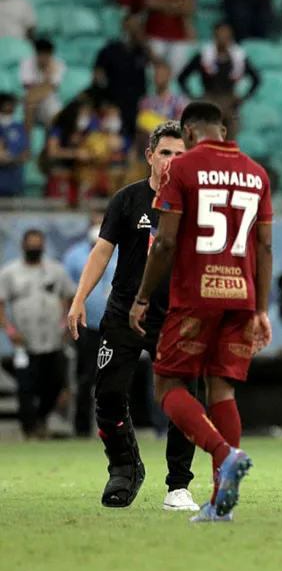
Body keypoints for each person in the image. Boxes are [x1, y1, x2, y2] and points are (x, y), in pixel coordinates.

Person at [129, 100, 273, 522]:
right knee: (222, 390)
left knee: (167, 385)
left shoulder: (182, 169)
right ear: (223, 131)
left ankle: (224, 453)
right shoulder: (257, 173)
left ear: (189, 133)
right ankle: (218, 503)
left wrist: (141, 298)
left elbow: (167, 243)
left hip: (196, 294)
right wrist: (261, 309)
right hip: (242, 296)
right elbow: (264, 246)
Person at [67, 121, 198, 509]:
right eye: (165, 154)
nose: (172, 161)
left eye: (180, 154)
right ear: (150, 157)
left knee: (180, 401)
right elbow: (102, 252)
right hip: (124, 313)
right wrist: (78, 299)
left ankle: (178, 485)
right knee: (107, 394)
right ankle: (124, 469)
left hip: (175, 317)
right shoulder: (127, 200)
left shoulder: (194, 204)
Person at [0, 229, 75, 439]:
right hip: (24, 342)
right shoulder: (10, 272)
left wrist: (66, 323)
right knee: (25, 387)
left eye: (38, 244)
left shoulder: (56, 270)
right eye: (31, 244)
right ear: (23, 246)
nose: (34, 248)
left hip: (53, 339)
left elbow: (69, 296)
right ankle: (30, 429)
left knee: (54, 383)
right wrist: (9, 329)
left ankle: (42, 418)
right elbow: (1, 302)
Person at [63, 211, 113, 438]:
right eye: (95, 224)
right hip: (86, 326)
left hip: (114, 326)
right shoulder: (74, 256)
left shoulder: (121, 252)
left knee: (113, 378)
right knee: (85, 377)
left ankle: (113, 427)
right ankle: (81, 428)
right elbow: (68, 292)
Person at [177, 22, 262, 124]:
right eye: (220, 35)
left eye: (226, 35)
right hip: (209, 100)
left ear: (231, 37)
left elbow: (256, 79)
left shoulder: (239, 57)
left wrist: (243, 98)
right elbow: (182, 77)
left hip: (230, 102)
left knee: (230, 131)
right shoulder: (203, 56)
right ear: (214, 36)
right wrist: (194, 97)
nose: (223, 38)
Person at [94, 13, 151, 136]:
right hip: (115, 105)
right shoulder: (110, 50)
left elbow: (160, 67)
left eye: (137, 26)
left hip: (137, 106)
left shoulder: (142, 52)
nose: (134, 29)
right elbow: (98, 78)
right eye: (131, 26)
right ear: (124, 26)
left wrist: (145, 44)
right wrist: (104, 102)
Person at [145, 0, 195, 77]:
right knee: (153, 74)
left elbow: (189, 8)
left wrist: (162, 5)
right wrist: (176, 6)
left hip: (178, 36)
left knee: (178, 74)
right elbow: (149, 3)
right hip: (155, 34)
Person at [19, 37, 65, 127]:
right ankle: (27, 140)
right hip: (30, 102)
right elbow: (28, 87)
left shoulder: (58, 64)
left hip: (49, 101)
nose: (44, 58)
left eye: (47, 55)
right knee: (29, 105)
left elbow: (50, 88)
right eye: (41, 55)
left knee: (54, 115)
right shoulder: (26, 62)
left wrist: (47, 76)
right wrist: (46, 84)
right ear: (36, 53)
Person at [0, 93, 30, 197]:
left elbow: (26, 154)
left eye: (11, 107)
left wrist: (13, 159)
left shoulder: (18, 128)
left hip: (15, 183)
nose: (9, 110)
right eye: (5, 107)